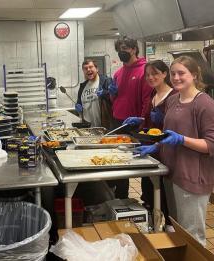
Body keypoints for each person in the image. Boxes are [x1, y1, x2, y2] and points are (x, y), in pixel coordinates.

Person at [135, 56, 214, 245]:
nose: (176, 77)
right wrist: (156, 146)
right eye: (173, 73)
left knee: (193, 236)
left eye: (181, 73)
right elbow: (167, 136)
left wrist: (182, 140)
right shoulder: (173, 101)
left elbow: (211, 144)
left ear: (194, 74)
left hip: (192, 176)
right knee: (178, 229)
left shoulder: (204, 103)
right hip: (171, 173)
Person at [123, 60, 176, 230]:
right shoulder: (154, 94)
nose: (151, 77)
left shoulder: (173, 96)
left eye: (155, 73)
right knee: (148, 191)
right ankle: (152, 224)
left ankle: (169, 227)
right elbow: (149, 122)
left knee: (165, 194)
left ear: (165, 74)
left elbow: (175, 129)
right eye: (147, 75)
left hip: (166, 153)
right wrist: (140, 120)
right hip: (149, 151)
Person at [107, 37, 153, 199]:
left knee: (140, 161)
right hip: (118, 122)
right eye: (119, 48)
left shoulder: (144, 70)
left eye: (125, 48)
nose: (121, 52)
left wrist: (142, 120)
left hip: (135, 125)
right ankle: (121, 198)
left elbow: (147, 100)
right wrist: (112, 94)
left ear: (134, 49)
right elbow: (116, 100)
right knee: (119, 162)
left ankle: (147, 200)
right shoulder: (118, 73)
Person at [75, 59, 112, 129]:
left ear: (97, 69)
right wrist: (78, 106)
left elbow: (114, 99)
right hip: (87, 127)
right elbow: (79, 103)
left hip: (104, 126)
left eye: (91, 67)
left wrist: (105, 93)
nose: (88, 70)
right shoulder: (82, 86)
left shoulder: (106, 81)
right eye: (85, 68)